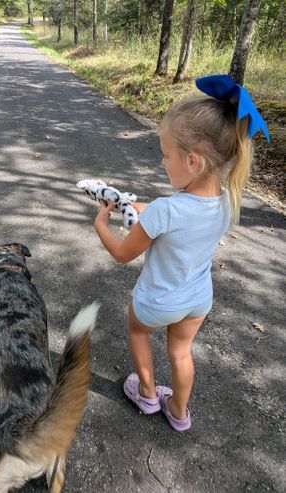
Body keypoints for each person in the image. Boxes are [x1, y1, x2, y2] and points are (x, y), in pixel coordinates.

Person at [92, 74, 270, 432]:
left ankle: (145, 392)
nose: (162, 163)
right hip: (198, 298)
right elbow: (169, 221)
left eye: (165, 155)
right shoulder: (227, 202)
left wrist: (101, 224)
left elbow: (125, 253)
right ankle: (178, 411)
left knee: (138, 331)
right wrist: (132, 204)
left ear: (193, 161)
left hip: (157, 300)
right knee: (180, 352)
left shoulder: (165, 210)